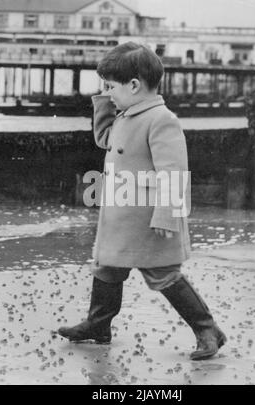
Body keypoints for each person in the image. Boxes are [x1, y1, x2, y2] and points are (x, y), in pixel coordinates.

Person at [58, 42, 226, 360]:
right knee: (106, 269)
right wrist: (106, 102)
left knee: (165, 276)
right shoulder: (126, 115)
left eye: (111, 87)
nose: (108, 92)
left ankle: (207, 329)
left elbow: (174, 172)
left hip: (150, 221)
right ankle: (98, 325)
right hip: (121, 219)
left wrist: (166, 215)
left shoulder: (161, 119)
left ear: (134, 85)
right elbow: (104, 138)